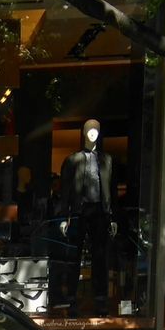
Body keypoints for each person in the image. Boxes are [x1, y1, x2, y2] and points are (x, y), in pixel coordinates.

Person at [59, 119, 116, 316]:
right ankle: (72, 298)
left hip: (100, 212)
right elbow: (64, 190)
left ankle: (100, 299)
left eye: (96, 130)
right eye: (89, 130)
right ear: (83, 132)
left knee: (100, 256)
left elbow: (111, 190)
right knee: (74, 256)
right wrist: (63, 217)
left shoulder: (107, 160)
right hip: (79, 211)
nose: (93, 133)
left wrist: (112, 216)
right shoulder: (73, 160)